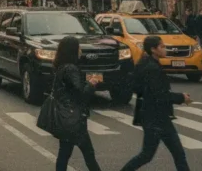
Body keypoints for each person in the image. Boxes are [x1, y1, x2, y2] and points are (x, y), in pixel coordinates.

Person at [119, 36, 192, 171]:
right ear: (153, 49)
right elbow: (160, 95)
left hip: (154, 116)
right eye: (162, 46)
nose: (165, 49)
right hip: (156, 118)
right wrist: (181, 97)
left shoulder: (147, 63)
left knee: (172, 154)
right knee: (153, 154)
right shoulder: (152, 68)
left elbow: (140, 88)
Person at [50, 36, 102, 171]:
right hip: (74, 120)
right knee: (89, 155)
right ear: (72, 50)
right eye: (78, 47)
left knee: (64, 154)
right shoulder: (71, 69)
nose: (80, 50)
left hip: (66, 117)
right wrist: (91, 84)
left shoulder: (61, 67)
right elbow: (81, 94)